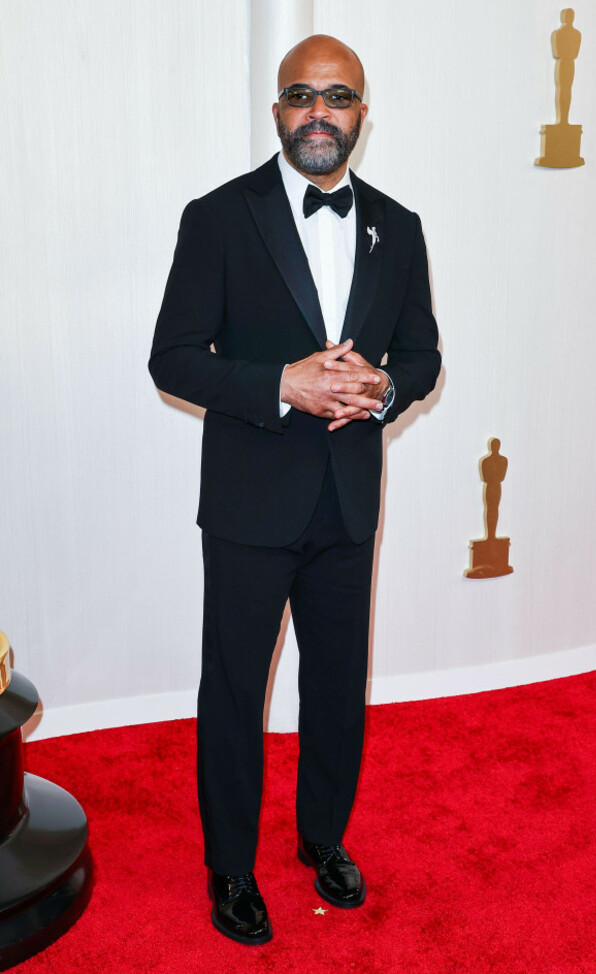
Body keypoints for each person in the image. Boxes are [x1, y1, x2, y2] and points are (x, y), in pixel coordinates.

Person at [149, 34, 441, 946]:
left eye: (339, 96)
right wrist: (284, 382)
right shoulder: (218, 217)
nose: (321, 112)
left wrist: (386, 390)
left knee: (337, 686)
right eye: (302, 95)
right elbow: (172, 359)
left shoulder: (401, 224)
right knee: (236, 685)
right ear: (277, 111)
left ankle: (323, 839)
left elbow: (425, 355)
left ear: (361, 113)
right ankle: (230, 865)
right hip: (247, 500)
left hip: (349, 498)